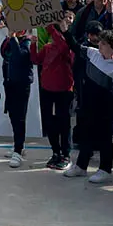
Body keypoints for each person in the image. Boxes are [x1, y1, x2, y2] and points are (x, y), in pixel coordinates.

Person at [65, 30, 113, 184]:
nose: (99, 44)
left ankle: (105, 169)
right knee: (85, 135)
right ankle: (81, 166)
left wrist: (106, 111)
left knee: (104, 139)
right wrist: (66, 30)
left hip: (104, 111)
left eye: (104, 43)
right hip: (86, 105)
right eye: (100, 42)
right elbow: (75, 46)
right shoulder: (93, 53)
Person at [32, 12, 76, 171]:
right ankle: (55, 151)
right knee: (49, 122)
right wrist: (33, 44)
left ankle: (66, 154)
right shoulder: (48, 47)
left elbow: (64, 47)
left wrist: (51, 28)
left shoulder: (68, 47)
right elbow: (36, 60)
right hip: (47, 89)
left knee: (64, 123)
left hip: (64, 89)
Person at [1, 30, 33, 168]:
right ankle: (18, 144)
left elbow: (20, 56)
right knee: (12, 114)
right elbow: (3, 52)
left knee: (19, 117)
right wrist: (9, 38)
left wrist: (13, 38)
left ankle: (18, 151)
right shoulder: (11, 39)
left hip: (21, 83)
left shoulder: (27, 41)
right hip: (9, 82)